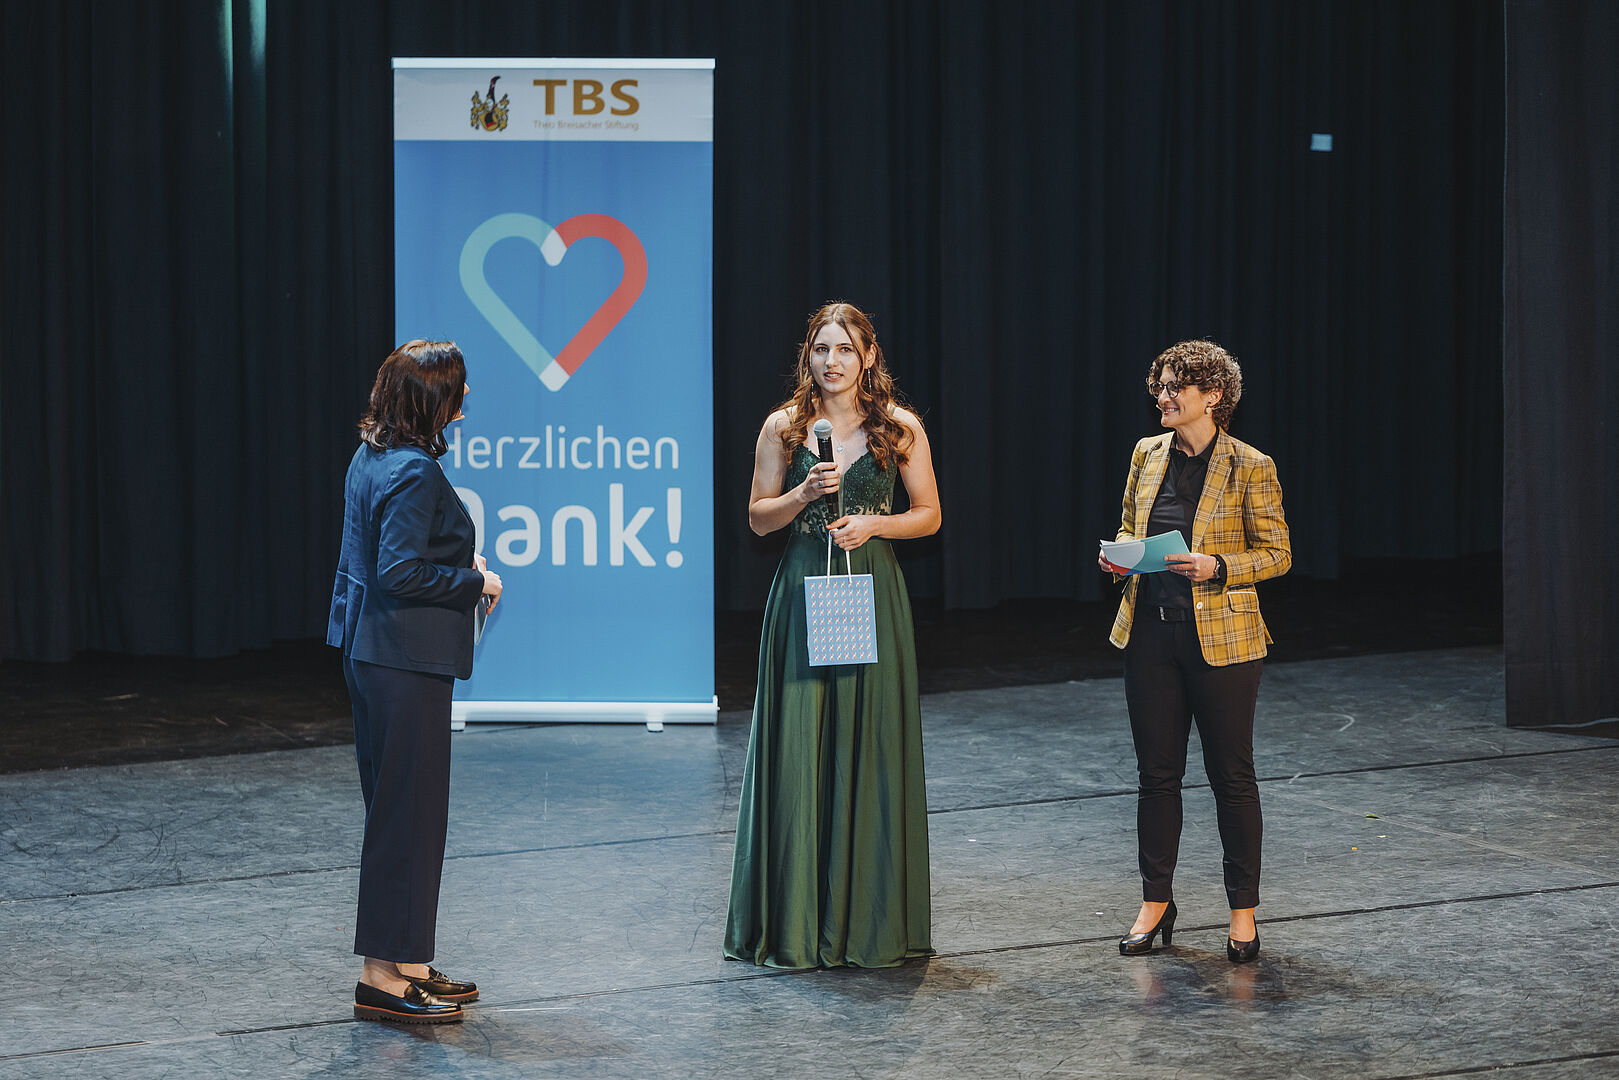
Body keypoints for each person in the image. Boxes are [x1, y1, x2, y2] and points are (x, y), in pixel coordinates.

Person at [724, 302, 941, 969]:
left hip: (869, 590)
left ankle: (864, 919)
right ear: (807, 356)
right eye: (821, 348)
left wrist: (875, 524)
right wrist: (802, 497)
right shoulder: (784, 428)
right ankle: (793, 921)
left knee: (866, 745)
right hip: (802, 592)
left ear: (868, 356)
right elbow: (758, 519)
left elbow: (929, 515)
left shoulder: (898, 426)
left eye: (846, 348)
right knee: (798, 744)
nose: (832, 361)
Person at [327, 339, 504, 1022]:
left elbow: (374, 558)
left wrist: (458, 564)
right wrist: (473, 582)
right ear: (433, 400)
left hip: (373, 652)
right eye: (459, 387)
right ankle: (381, 975)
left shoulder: (372, 456)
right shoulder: (414, 471)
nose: (467, 397)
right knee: (407, 817)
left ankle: (407, 960)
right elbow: (399, 571)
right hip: (404, 661)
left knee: (405, 813)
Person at [1099, 339, 1290, 964]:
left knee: (1232, 777)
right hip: (1150, 634)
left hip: (1224, 642)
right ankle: (1156, 901)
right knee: (1156, 777)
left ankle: (1243, 913)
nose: (1163, 396)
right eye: (1159, 385)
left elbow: (1278, 554)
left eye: (1176, 386)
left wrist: (1218, 566)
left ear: (1213, 395)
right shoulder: (1146, 453)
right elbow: (1130, 526)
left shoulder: (1250, 465)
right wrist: (1122, 557)